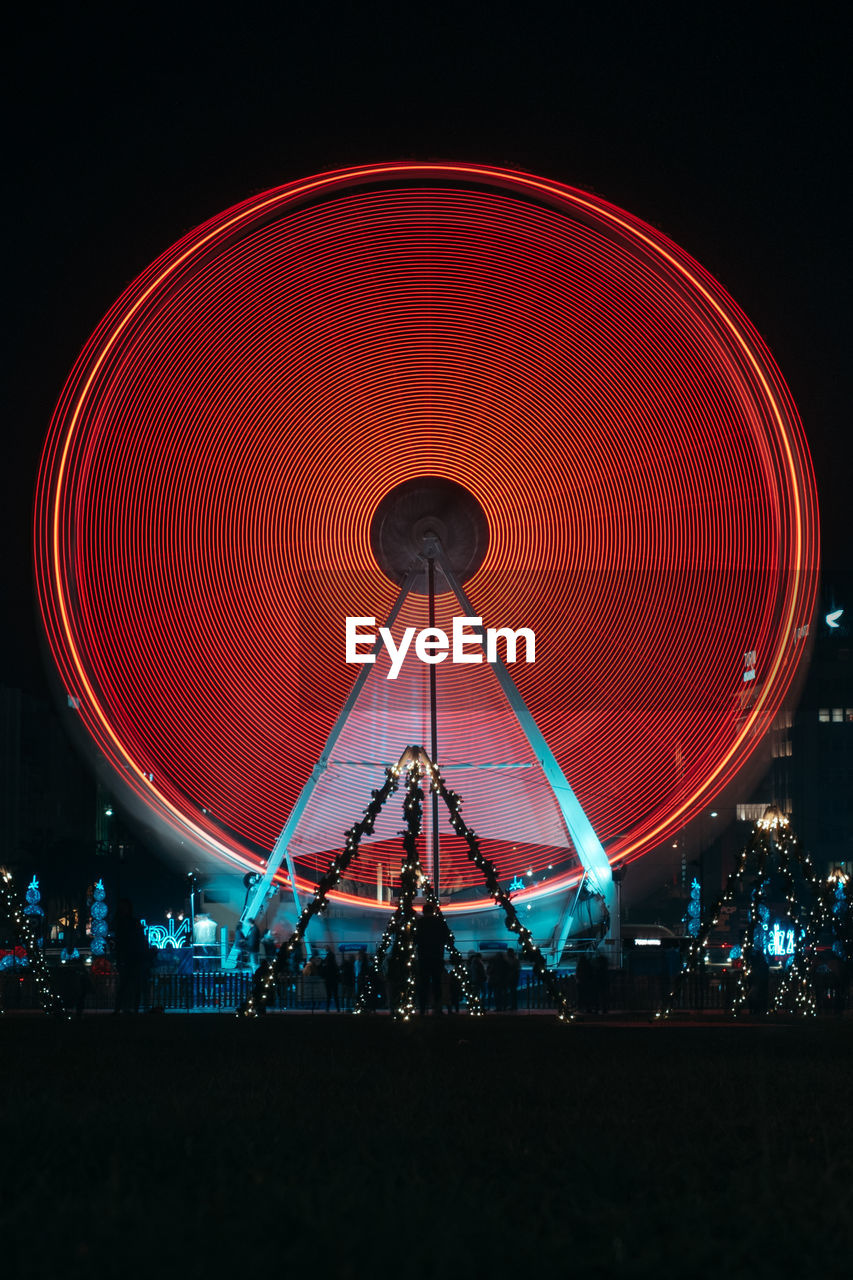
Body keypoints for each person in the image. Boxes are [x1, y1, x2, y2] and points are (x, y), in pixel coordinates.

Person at [113, 899, 147, 1013]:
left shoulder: (122, 923)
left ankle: (123, 1009)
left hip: (131, 957)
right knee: (129, 985)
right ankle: (130, 1009)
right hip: (131, 958)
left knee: (127, 985)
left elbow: (119, 942)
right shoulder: (129, 923)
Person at [416, 901, 445, 1015]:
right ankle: (437, 1008)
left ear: (423, 911)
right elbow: (445, 936)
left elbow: (416, 939)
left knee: (424, 983)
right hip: (437, 956)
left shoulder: (420, 923)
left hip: (424, 957)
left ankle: (423, 1008)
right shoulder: (439, 922)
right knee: (437, 983)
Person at [321, 947, 340, 1012]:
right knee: (335, 995)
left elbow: (323, 972)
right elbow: (337, 973)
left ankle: (328, 1008)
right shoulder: (334, 965)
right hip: (334, 981)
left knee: (329, 995)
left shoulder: (327, 965)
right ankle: (338, 1008)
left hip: (328, 980)